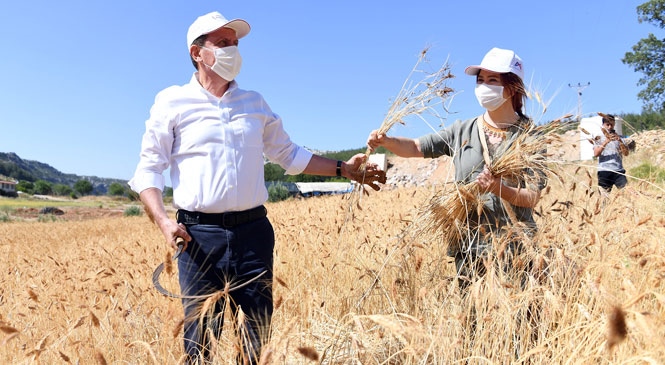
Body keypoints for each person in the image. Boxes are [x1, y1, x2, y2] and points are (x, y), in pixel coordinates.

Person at [128, 11, 386, 364]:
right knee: (199, 344)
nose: (233, 49)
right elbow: (148, 169)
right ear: (196, 52)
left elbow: (289, 154)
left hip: (253, 235)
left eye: (235, 43)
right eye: (222, 43)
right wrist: (162, 221)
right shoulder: (171, 102)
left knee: (256, 343)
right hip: (198, 239)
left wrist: (344, 169)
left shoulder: (254, 103)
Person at [366, 47, 547, 292]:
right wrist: (386, 141)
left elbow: (532, 198)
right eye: (480, 80)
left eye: (492, 80)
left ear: (512, 87)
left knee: (517, 324)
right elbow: (417, 146)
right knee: (472, 323)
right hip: (470, 248)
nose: (483, 86)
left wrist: (497, 188)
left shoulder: (530, 137)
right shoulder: (462, 130)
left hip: (515, 249)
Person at [593, 113, 630, 193]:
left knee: (627, 194)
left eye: (612, 125)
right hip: (604, 171)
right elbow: (596, 154)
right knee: (604, 198)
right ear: (603, 125)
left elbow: (626, 153)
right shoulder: (598, 138)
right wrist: (606, 141)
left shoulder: (620, 138)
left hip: (618, 171)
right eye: (607, 125)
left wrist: (620, 141)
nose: (610, 127)